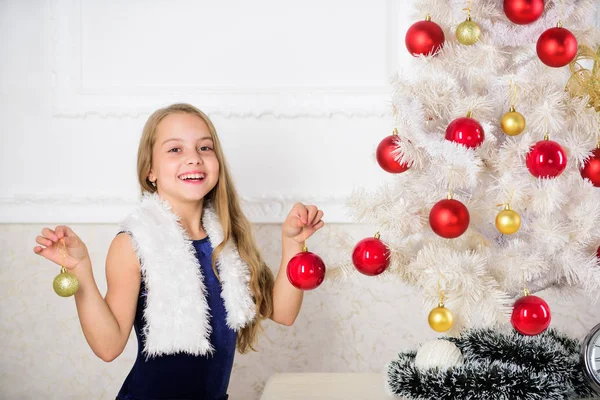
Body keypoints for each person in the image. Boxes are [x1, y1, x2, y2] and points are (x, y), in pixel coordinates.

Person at [33, 103, 325, 400]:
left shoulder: (227, 241)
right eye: (175, 150)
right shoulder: (134, 243)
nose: (194, 159)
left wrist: (292, 245)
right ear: (150, 171)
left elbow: (284, 313)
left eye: (205, 148)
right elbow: (108, 347)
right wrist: (81, 272)